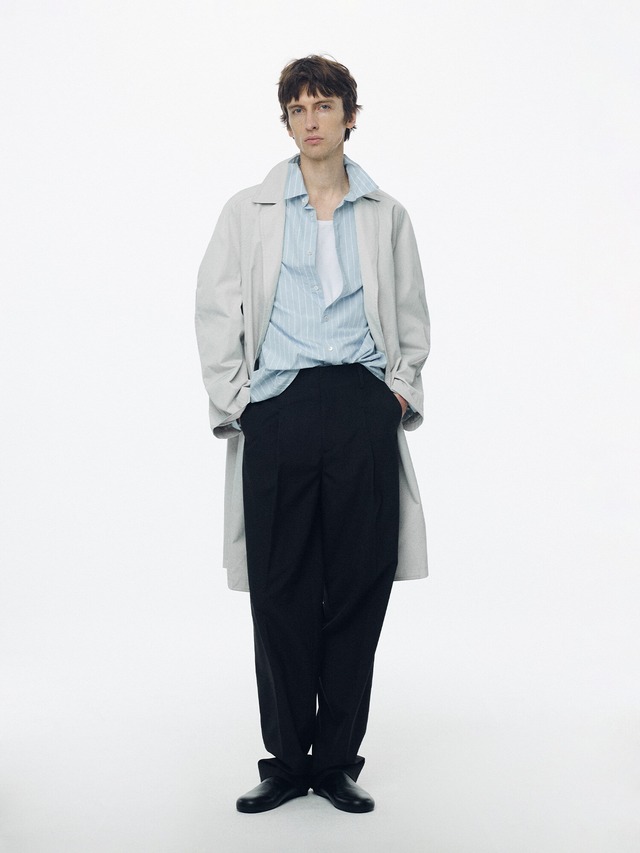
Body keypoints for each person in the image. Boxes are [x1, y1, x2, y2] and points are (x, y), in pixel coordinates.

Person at [195, 55, 430, 814]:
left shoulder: (386, 214)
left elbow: (411, 315)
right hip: (280, 408)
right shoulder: (249, 211)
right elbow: (216, 311)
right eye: (297, 109)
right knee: (280, 587)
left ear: (349, 116)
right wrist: (241, 403)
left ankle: (334, 762)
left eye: (324, 105)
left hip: (360, 404)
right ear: (288, 122)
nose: (311, 120)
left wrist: (395, 395)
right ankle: (287, 760)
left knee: (359, 583)